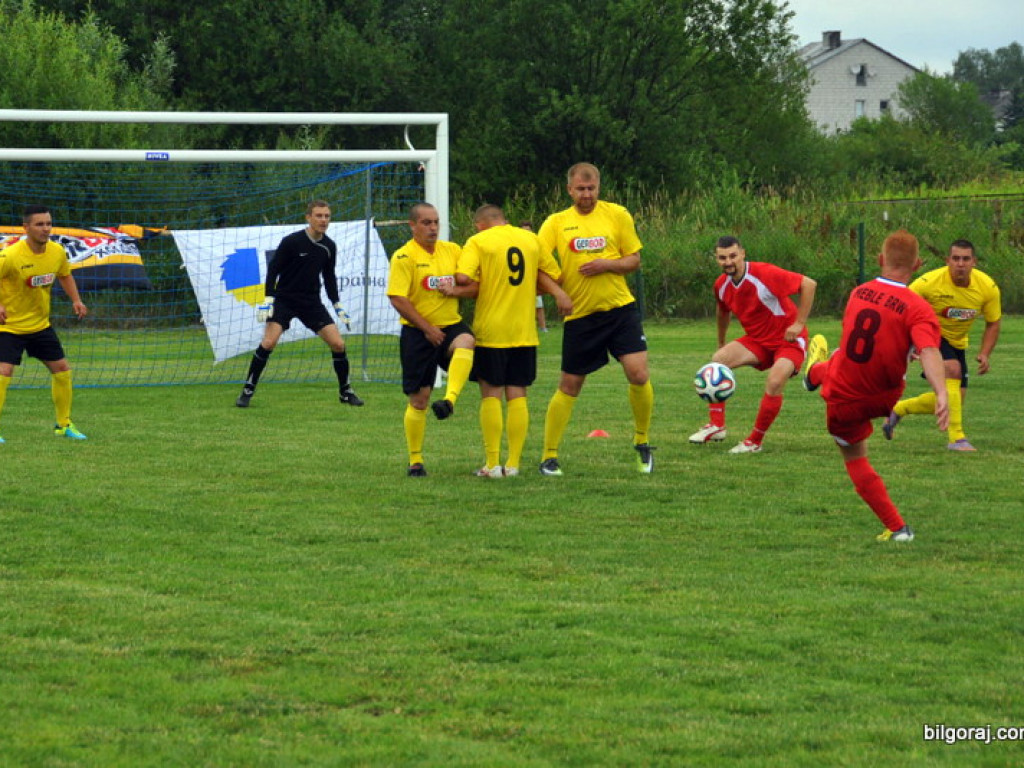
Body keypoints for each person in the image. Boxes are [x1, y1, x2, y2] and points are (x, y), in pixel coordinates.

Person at [803, 229, 948, 541]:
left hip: (844, 398)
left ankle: (899, 529)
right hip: (885, 399)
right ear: (918, 264)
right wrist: (940, 391)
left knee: (854, 456)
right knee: (842, 358)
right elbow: (930, 351)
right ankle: (813, 373)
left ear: (880, 260)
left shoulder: (858, 293)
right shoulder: (917, 308)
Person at [536, 162, 655, 475]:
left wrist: (607, 264)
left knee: (638, 374)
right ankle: (549, 456)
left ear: (598, 188)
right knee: (570, 384)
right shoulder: (556, 223)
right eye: (580, 189)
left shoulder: (617, 215)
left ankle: (642, 443)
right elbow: (538, 265)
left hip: (620, 312)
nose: (586, 195)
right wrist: (559, 294)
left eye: (591, 189)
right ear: (569, 190)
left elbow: (634, 260)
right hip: (581, 317)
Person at [441, 205, 570, 477]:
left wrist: (464, 282)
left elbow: (463, 277)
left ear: (479, 225)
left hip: (492, 330)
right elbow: (553, 274)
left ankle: (491, 464)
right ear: (504, 220)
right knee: (517, 395)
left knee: (491, 394)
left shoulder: (478, 241)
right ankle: (512, 465)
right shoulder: (530, 238)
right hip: (524, 331)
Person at [689, 236, 817, 454]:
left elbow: (808, 284)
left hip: (788, 341)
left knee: (775, 382)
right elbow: (722, 312)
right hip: (758, 341)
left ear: (743, 254)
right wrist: (721, 342)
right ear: (716, 259)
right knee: (717, 363)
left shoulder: (764, 273)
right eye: (722, 257)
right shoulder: (721, 286)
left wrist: (799, 323)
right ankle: (717, 426)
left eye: (732, 256)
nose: (728, 261)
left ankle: (754, 441)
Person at [236, 200, 363, 408]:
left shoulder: (329, 246)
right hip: (285, 300)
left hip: (311, 302)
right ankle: (247, 390)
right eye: (319, 216)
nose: (324, 220)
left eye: (327, 216)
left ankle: (346, 392)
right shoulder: (291, 242)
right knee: (268, 343)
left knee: (339, 344)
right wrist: (269, 299)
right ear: (308, 217)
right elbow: (273, 270)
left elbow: (329, 277)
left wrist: (337, 304)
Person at [883, 239, 1001, 451]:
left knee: (953, 400)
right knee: (953, 369)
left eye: (966, 259)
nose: (960, 264)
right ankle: (957, 439)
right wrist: (909, 344)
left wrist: (985, 353)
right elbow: (900, 306)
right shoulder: (929, 282)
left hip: (957, 342)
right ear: (948, 261)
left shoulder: (987, 287)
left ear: (974, 262)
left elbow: (993, 323)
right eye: (955, 258)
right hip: (930, 335)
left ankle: (899, 409)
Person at [386, 202, 475, 477]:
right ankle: (415, 460)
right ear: (412, 226)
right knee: (419, 400)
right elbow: (398, 298)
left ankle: (449, 400)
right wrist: (426, 328)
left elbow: (475, 285)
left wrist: (457, 291)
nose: (433, 228)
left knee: (467, 341)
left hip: (450, 326)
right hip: (417, 332)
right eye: (426, 223)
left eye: (436, 222)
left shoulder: (453, 251)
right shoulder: (404, 257)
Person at [0, 204, 89, 442]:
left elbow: (64, 274)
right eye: (39, 224)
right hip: (8, 326)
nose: (45, 228)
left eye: (48, 223)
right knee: (3, 373)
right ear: (26, 227)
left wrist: (76, 300)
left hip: (40, 325)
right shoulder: (10, 255)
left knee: (62, 370)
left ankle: (64, 425)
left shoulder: (57, 251)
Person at [519, 220, 549, 332]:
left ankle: (543, 327)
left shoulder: (536, 243)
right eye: (524, 231)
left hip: (534, 279)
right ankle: (525, 328)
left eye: (528, 230)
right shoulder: (516, 243)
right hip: (521, 279)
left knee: (539, 306)